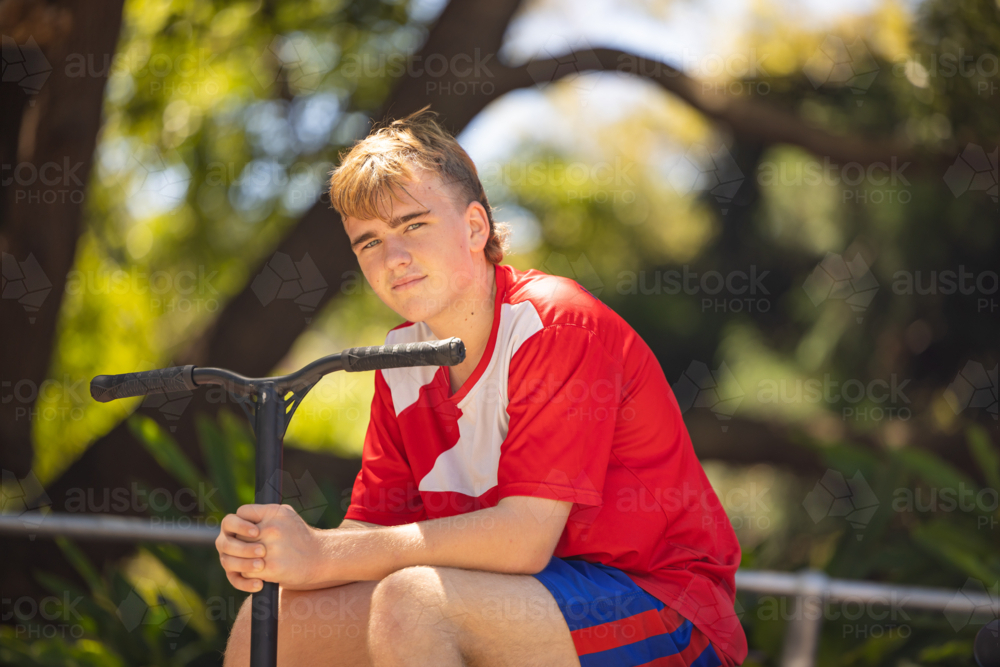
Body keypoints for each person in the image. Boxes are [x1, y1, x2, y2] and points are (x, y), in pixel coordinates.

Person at [218, 105, 747, 667]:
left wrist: (322, 555)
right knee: (273, 616)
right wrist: (280, 557)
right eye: (368, 242)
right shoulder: (402, 358)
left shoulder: (555, 323)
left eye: (413, 224)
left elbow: (524, 539)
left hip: (661, 604)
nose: (393, 258)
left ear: (474, 227)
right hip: (516, 597)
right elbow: (366, 532)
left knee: (414, 602)